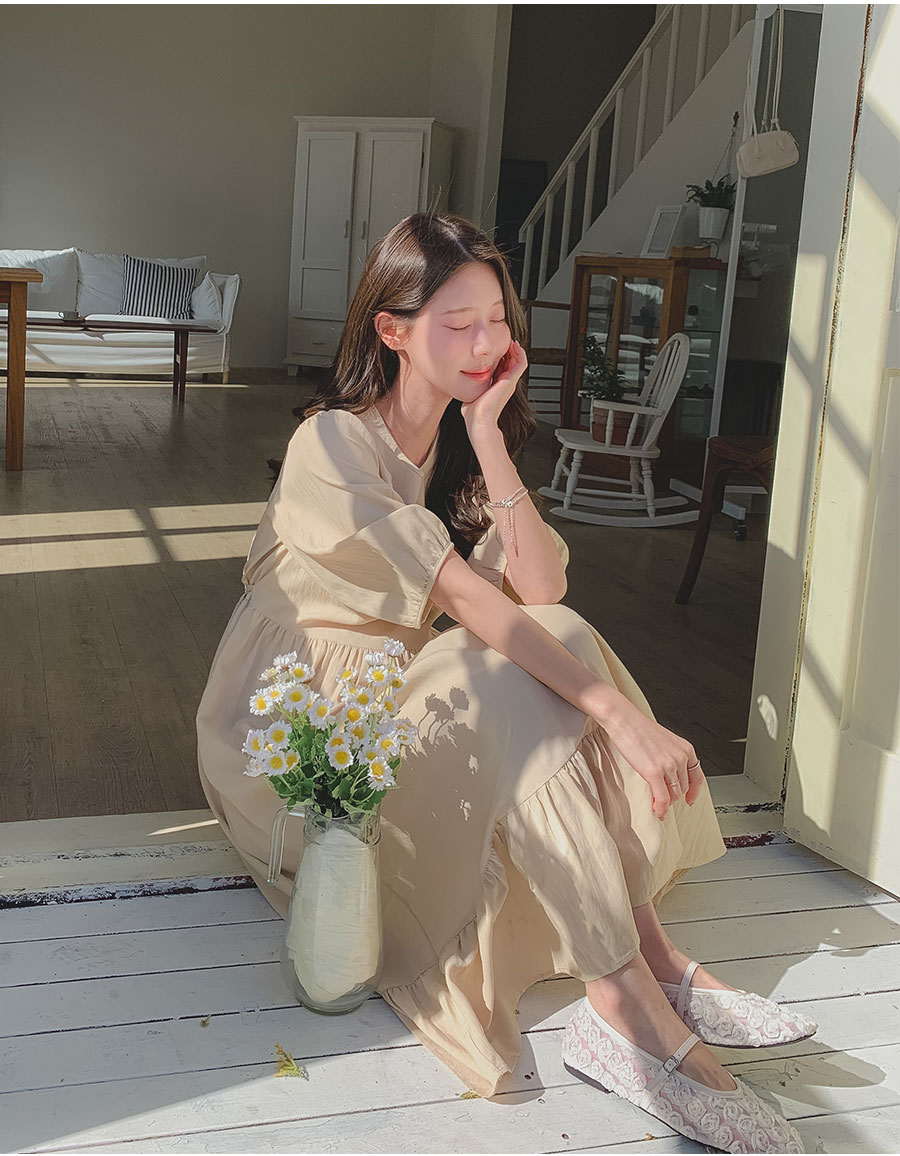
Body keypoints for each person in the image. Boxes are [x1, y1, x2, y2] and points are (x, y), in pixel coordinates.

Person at [196, 212, 811, 1152]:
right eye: (458, 323)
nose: (486, 344)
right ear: (392, 331)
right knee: (521, 668)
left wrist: (487, 434)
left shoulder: (457, 445)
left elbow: (542, 587)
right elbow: (463, 596)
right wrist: (617, 716)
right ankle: (630, 1008)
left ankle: (645, 965)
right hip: (307, 742)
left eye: (496, 320)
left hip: (398, 706)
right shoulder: (333, 444)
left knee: (553, 634)